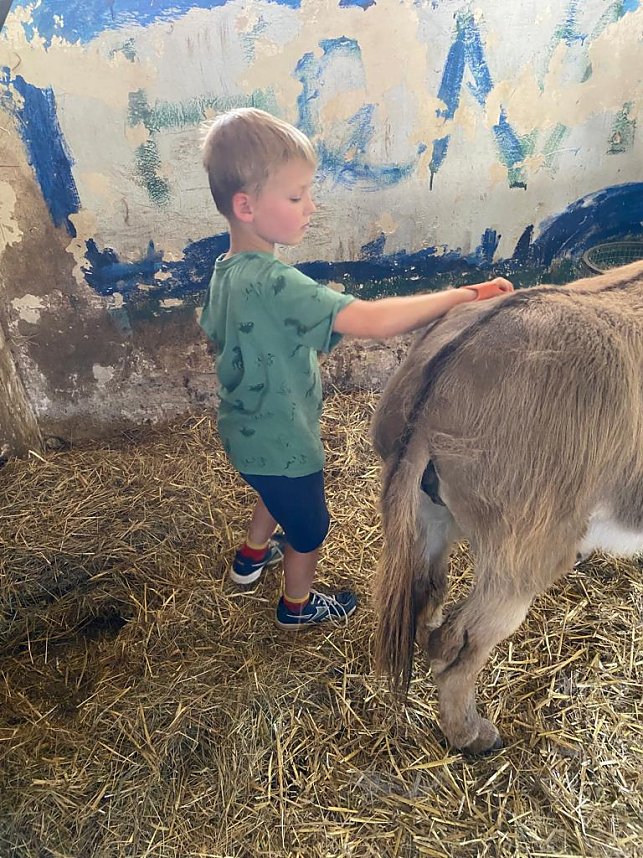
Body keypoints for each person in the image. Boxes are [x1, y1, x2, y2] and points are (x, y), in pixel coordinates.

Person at [199, 108, 513, 630]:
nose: (310, 207)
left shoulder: (226, 270)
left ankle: (250, 558)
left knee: (270, 491)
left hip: (244, 430)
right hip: (284, 443)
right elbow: (372, 321)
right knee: (310, 528)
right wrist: (464, 295)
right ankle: (296, 607)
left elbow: (228, 333)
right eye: (296, 197)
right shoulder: (278, 283)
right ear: (246, 205)